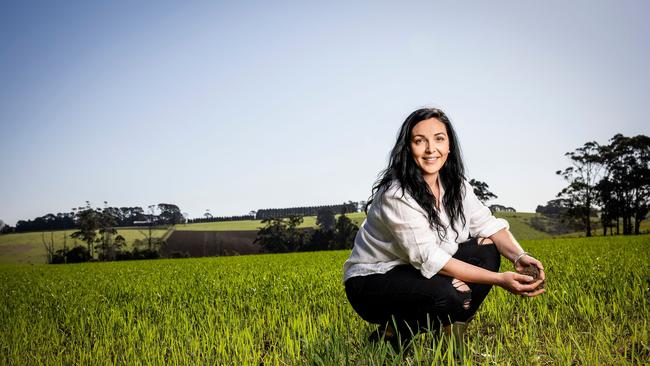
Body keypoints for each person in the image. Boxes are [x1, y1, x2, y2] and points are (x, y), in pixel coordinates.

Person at [343, 107, 545, 348]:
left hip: (414, 270)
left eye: (439, 139)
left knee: (487, 249)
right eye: (420, 141)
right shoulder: (396, 195)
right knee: (452, 295)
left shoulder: (457, 187)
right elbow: (430, 258)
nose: (431, 149)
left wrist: (520, 256)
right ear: (408, 148)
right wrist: (499, 279)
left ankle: (450, 335)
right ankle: (393, 334)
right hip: (373, 282)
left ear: (449, 145)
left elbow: (489, 226)